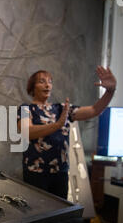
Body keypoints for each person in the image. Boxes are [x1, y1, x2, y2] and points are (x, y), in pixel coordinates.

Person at [17, 66, 117, 199]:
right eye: (42, 81)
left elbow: (94, 110)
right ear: (32, 87)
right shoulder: (26, 108)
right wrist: (57, 125)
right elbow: (27, 132)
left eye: (50, 81)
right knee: (38, 215)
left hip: (60, 173)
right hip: (36, 173)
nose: (47, 85)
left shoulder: (61, 108)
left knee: (59, 215)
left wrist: (110, 91)